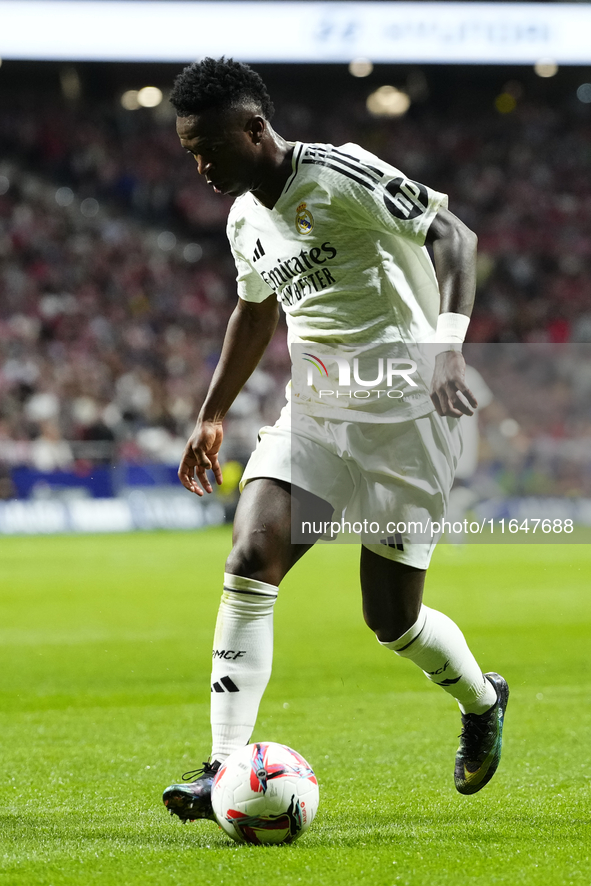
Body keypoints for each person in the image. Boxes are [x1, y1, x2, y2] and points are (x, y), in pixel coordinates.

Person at [162, 58, 509, 822]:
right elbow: (254, 311)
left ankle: (483, 701)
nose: (201, 164)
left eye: (209, 146)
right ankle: (223, 764)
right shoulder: (243, 221)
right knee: (251, 557)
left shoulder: (339, 173)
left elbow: (453, 235)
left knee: (391, 620)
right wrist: (212, 411)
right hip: (316, 415)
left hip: (410, 421)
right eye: (190, 151)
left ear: (254, 128)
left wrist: (446, 345)